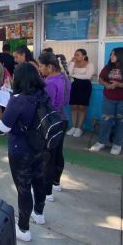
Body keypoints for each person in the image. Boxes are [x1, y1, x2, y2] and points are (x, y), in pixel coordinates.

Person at [0, 63, 47, 242]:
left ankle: (24, 229)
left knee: (24, 189)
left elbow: (3, 127)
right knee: (39, 180)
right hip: (41, 147)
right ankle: (39, 213)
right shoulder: (42, 94)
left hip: (21, 150)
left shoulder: (18, 99)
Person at [38, 52, 71, 199]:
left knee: (48, 157)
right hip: (63, 119)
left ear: (50, 67)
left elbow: (48, 105)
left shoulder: (50, 82)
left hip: (51, 123)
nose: (39, 69)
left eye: (41, 66)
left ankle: (47, 192)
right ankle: (56, 183)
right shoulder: (65, 78)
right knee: (58, 153)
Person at [90, 47, 123, 155]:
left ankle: (117, 144)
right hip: (108, 99)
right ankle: (101, 142)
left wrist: (118, 84)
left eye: (113, 54)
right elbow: (100, 79)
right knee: (106, 120)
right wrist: (106, 84)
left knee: (122, 121)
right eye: (111, 54)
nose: (111, 56)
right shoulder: (108, 67)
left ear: (121, 56)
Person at [67, 49, 94, 137]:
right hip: (74, 86)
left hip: (85, 86)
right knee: (74, 107)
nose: (75, 56)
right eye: (75, 54)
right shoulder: (73, 63)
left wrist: (73, 76)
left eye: (78, 55)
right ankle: (74, 127)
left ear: (84, 56)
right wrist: (71, 62)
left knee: (82, 107)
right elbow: (68, 73)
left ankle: (79, 128)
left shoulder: (89, 64)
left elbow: (88, 76)